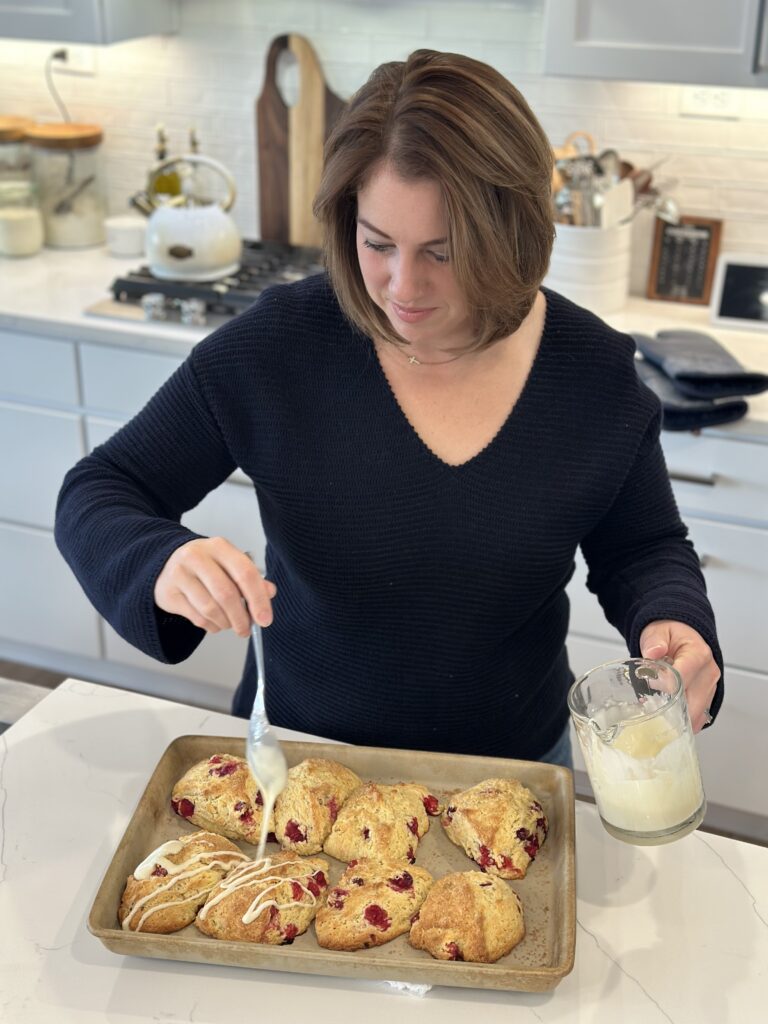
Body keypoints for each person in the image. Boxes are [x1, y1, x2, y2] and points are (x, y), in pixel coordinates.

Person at [54, 49, 722, 768]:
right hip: (304, 769)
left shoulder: (592, 377)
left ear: (513, 235)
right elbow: (100, 489)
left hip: (510, 779)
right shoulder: (280, 347)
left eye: (443, 251)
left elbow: (644, 549)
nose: (404, 287)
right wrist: (163, 558)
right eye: (378, 243)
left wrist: (674, 621)